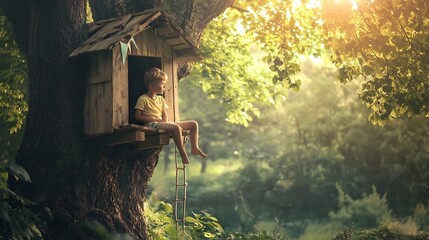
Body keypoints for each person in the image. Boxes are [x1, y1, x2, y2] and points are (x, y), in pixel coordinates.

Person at [134, 67, 207, 164]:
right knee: (176, 128)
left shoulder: (161, 99)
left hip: (162, 123)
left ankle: (195, 148)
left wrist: (165, 122)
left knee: (194, 124)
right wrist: (154, 119)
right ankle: (182, 153)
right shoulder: (143, 99)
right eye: (162, 85)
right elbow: (138, 116)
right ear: (151, 85)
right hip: (151, 124)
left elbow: (165, 114)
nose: (164, 87)